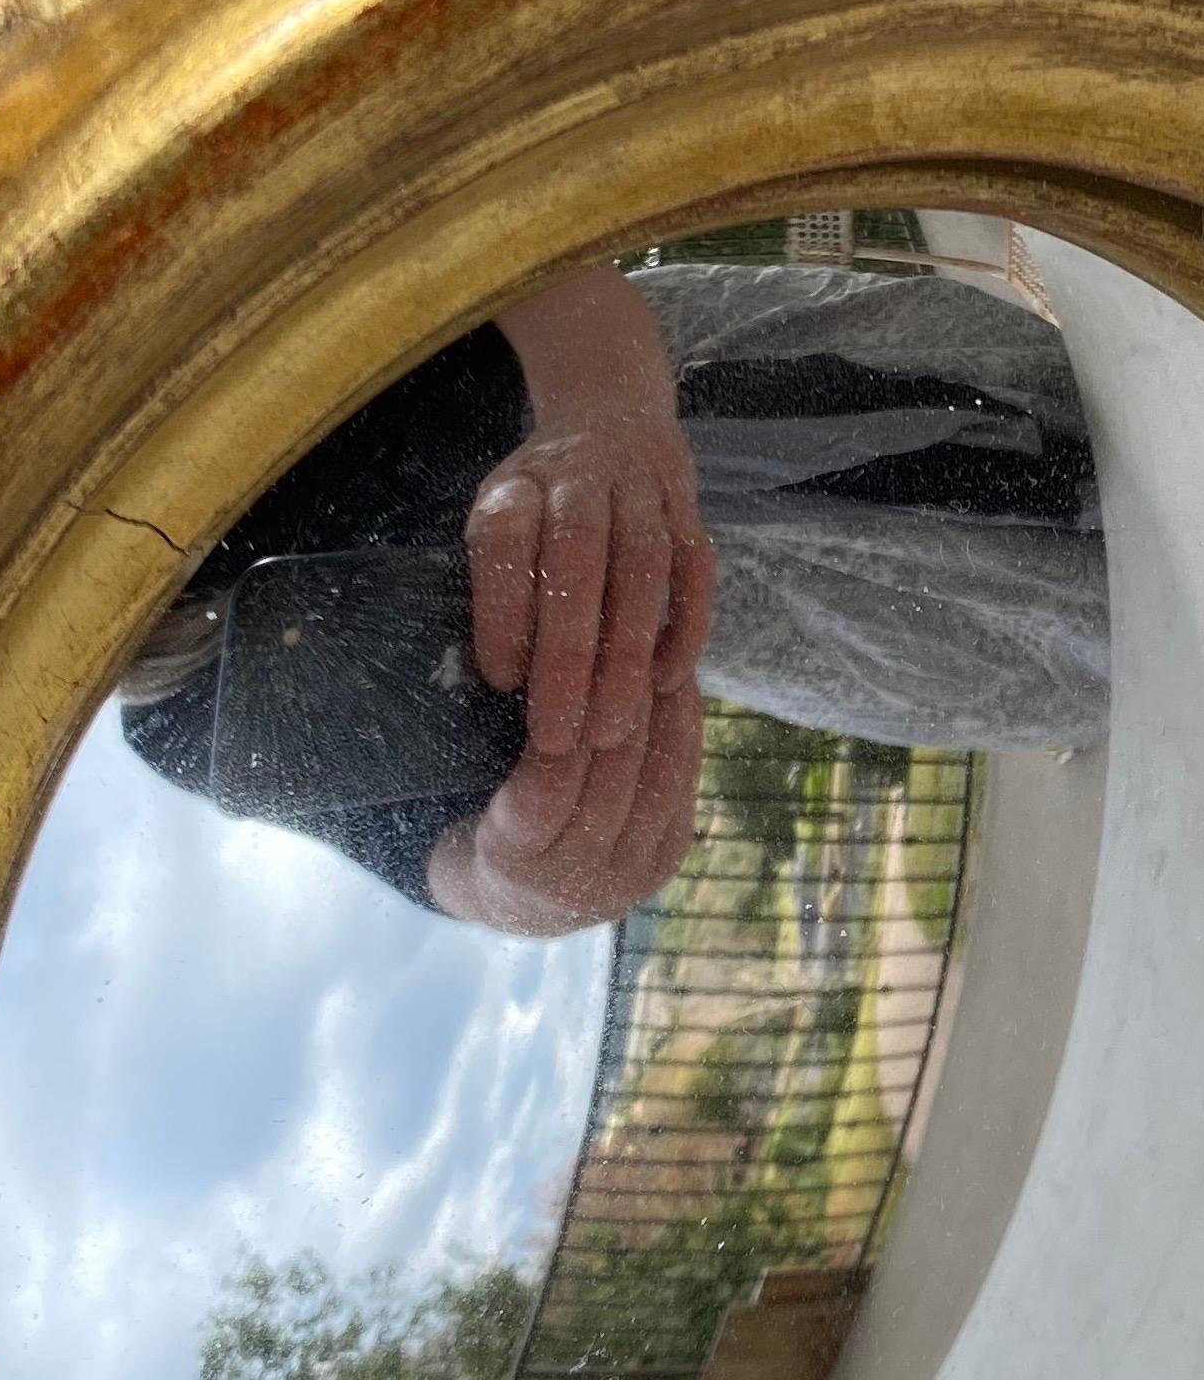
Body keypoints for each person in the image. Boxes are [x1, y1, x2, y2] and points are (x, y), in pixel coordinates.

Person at [115, 257, 1109, 936]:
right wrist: (520, 881)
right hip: (705, 624)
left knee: (1092, 444)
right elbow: (407, 844)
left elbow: (478, 230)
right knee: (1080, 663)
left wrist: (605, 411)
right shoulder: (169, 714)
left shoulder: (148, 373)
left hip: (664, 383)